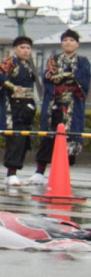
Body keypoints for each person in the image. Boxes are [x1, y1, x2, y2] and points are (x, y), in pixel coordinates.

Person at [0, 35, 42, 186]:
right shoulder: (7, 63)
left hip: (27, 106)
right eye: (22, 47)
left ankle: (14, 172)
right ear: (15, 49)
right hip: (12, 107)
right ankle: (11, 173)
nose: (25, 51)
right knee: (15, 139)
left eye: (28, 48)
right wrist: (9, 85)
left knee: (23, 140)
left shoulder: (29, 66)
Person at [36, 28, 88, 184]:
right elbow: (48, 77)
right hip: (54, 104)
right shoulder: (53, 59)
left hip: (73, 105)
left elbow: (84, 80)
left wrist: (66, 76)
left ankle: (62, 173)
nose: (68, 43)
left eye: (72, 40)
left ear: (77, 44)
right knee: (49, 136)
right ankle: (39, 172)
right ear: (61, 43)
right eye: (65, 40)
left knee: (70, 139)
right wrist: (65, 77)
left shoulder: (83, 61)